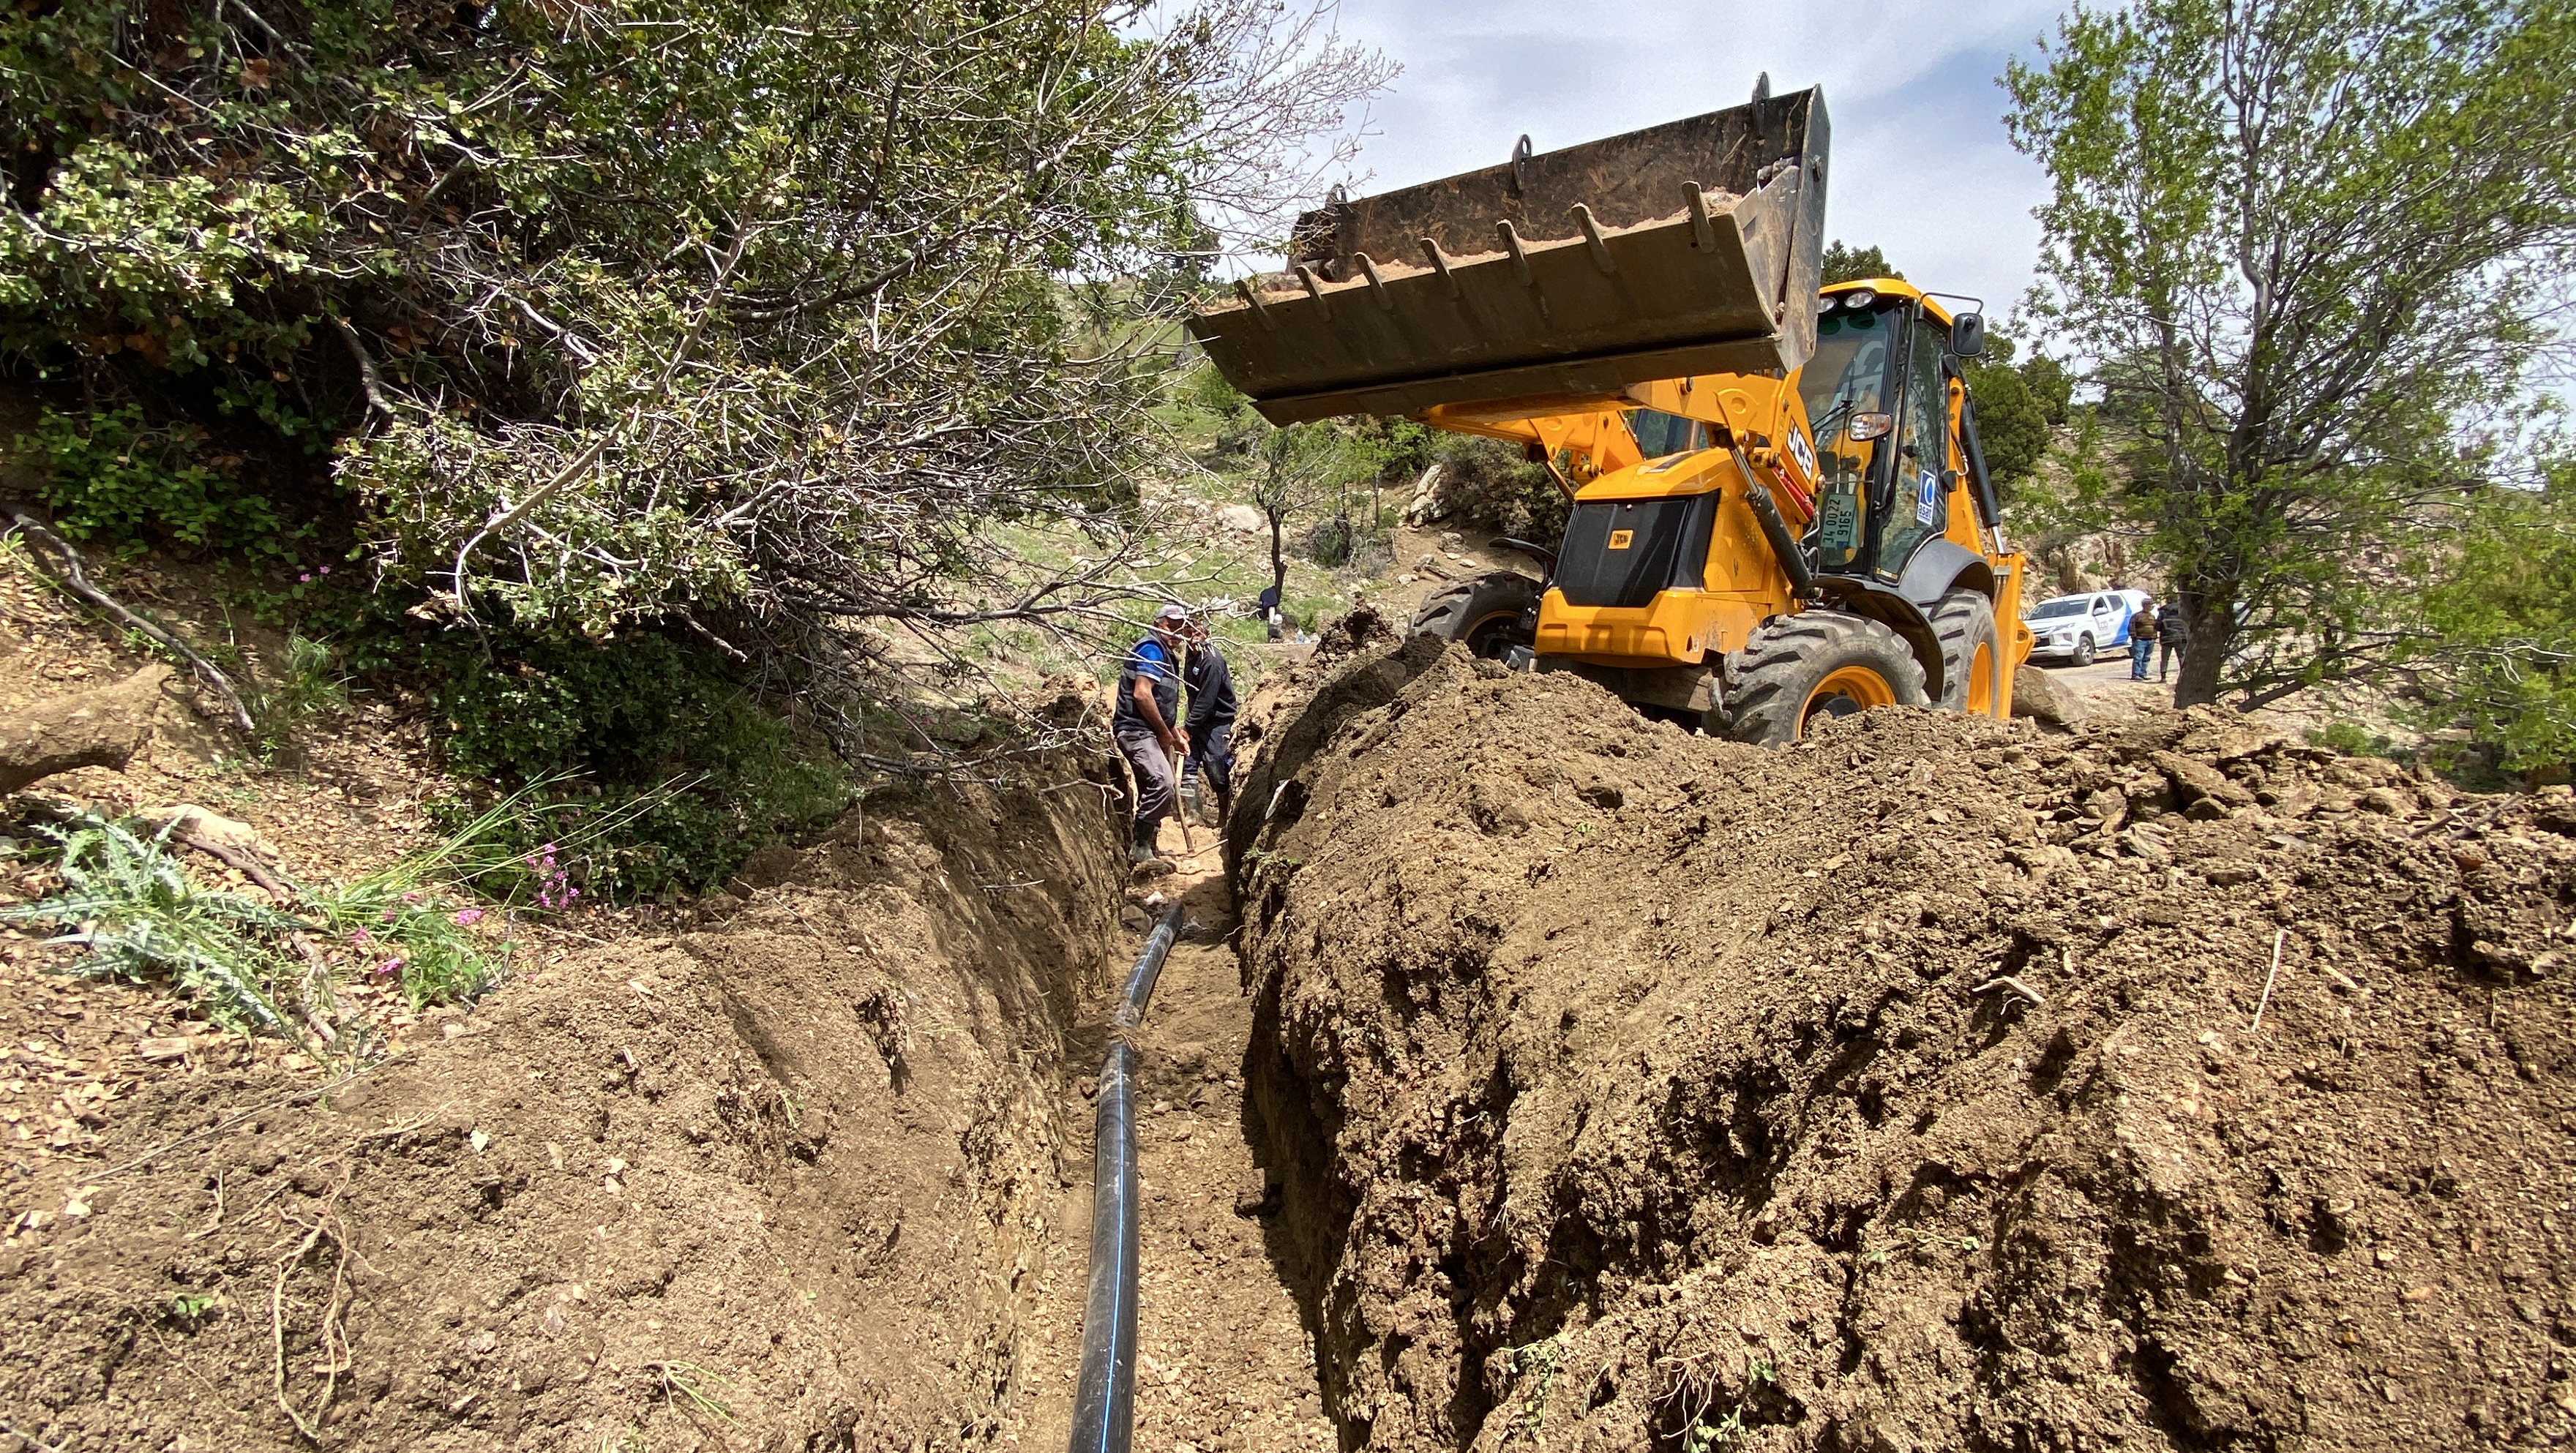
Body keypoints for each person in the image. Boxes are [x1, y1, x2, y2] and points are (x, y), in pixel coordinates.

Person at [1114, 604, 1189, 863]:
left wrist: (1173, 734)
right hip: (1136, 730)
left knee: (1152, 787)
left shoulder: (1165, 653)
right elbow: (1142, 694)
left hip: (1149, 730)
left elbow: (1158, 701)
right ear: (1158, 624)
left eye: (1180, 629)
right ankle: (1140, 846)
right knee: (1163, 784)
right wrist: (1162, 732)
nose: (1176, 634)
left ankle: (1149, 849)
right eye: (1171, 627)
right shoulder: (1152, 650)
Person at [1181, 619, 1238, 832]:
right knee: (1188, 764)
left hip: (1217, 721)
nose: (1193, 637)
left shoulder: (1211, 660)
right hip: (1197, 719)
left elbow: (1206, 700)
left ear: (1207, 633)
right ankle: (1194, 813)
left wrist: (1188, 727)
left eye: (1198, 632)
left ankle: (1225, 814)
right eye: (1188, 632)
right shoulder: (1191, 653)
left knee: (1216, 767)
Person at [2157, 600, 2190, 683]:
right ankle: (2184, 677)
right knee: (2182, 657)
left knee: (2165, 658)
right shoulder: (2184, 610)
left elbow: (2158, 626)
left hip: (2166, 638)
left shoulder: (2163, 611)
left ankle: (2163, 677)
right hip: (2181, 637)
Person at [2128, 596, 2159, 681]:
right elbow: (2131, 626)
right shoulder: (2137, 616)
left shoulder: (2152, 616)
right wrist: (2134, 636)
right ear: (2145, 605)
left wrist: (2154, 637)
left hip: (2150, 640)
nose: (2151, 607)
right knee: (2138, 657)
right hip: (2140, 640)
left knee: (2147, 658)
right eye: (2149, 605)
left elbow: (2155, 627)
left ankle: (2143, 674)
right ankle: (2136, 674)